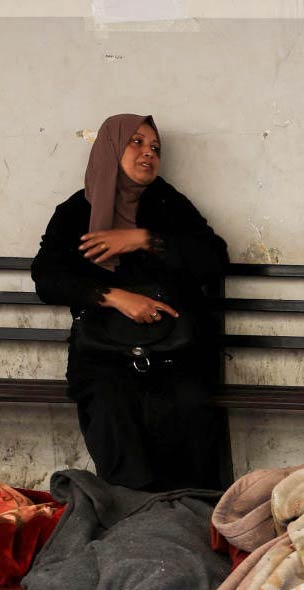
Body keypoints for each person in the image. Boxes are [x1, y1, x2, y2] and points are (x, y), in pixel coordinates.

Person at [31, 113, 230, 491]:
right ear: (110, 148)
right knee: (113, 417)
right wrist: (114, 297)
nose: (148, 153)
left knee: (188, 422)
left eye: (155, 147)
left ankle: (187, 527)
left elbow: (214, 259)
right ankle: (133, 531)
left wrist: (142, 239)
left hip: (176, 352)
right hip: (103, 355)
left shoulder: (169, 205)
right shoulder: (76, 213)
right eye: (135, 142)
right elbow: (48, 278)